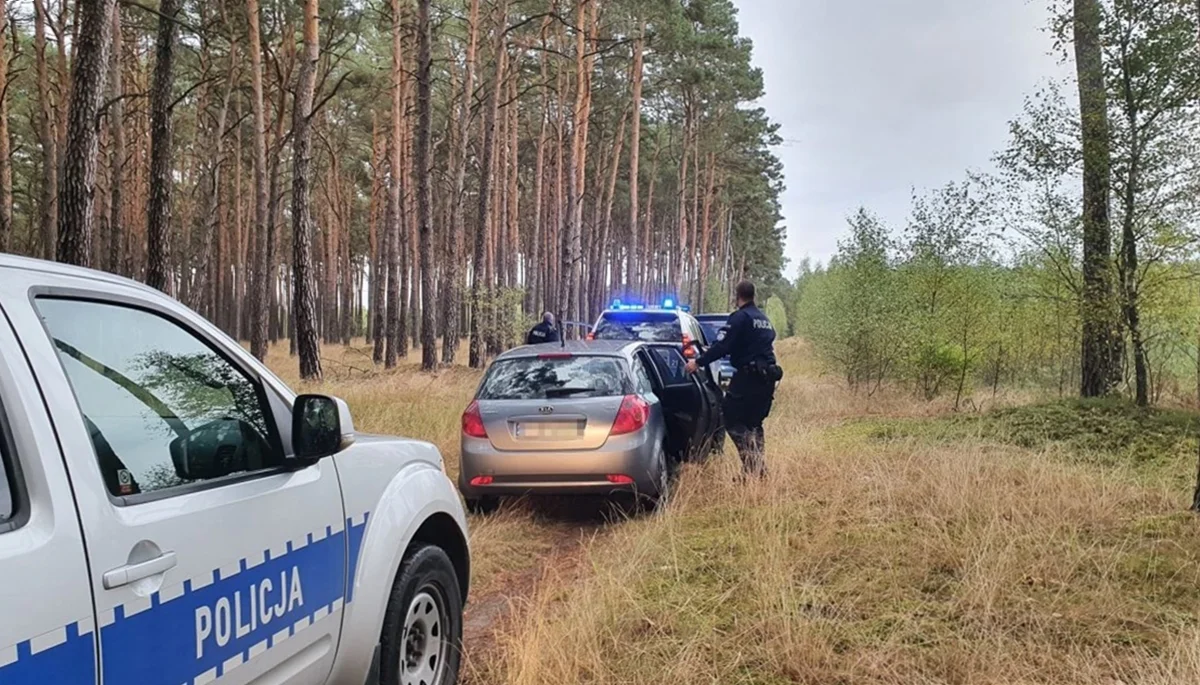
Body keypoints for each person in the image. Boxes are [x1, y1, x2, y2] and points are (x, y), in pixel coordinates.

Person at [686, 280, 781, 477]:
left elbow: (722, 346)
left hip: (748, 378)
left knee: (731, 418)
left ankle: (755, 466)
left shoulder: (740, 317)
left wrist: (698, 362)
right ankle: (753, 471)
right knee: (754, 423)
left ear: (737, 296)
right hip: (767, 378)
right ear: (753, 295)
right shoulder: (764, 319)